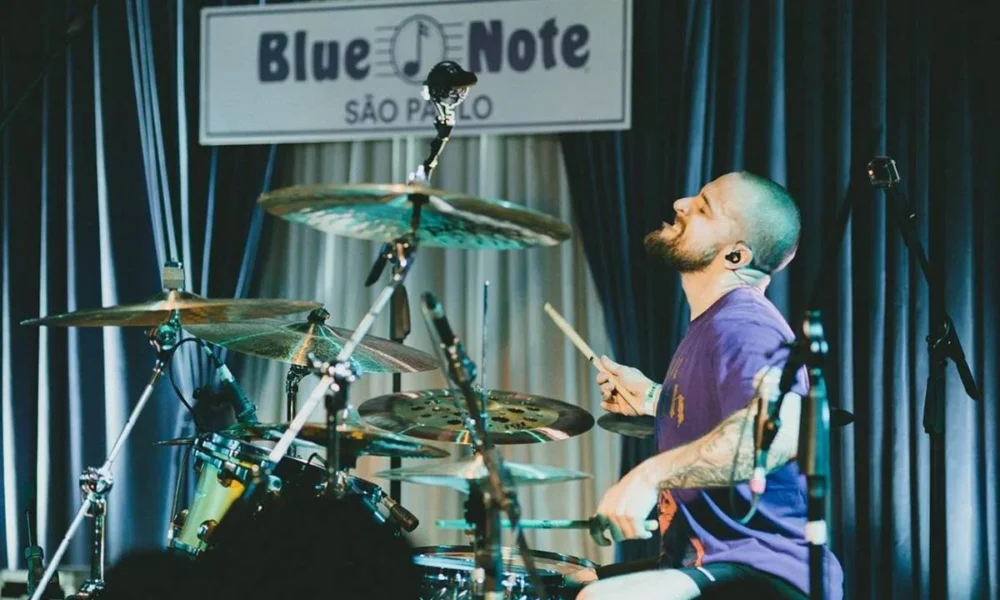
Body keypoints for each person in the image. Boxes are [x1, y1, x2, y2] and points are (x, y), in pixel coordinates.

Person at [572, 172, 844, 599]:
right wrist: (650, 397)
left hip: (766, 572)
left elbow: (781, 431)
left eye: (702, 208)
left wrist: (647, 477)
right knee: (575, 582)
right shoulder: (714, 325)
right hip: (712, 562)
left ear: (734, 255)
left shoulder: (745, 324)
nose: (680, 204)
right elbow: (723, 413)